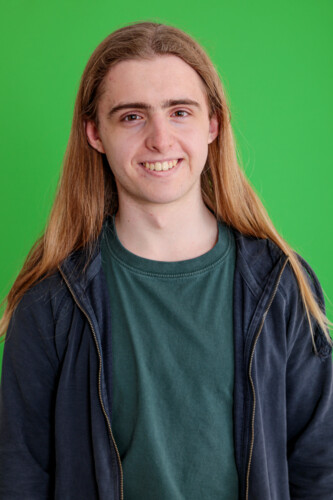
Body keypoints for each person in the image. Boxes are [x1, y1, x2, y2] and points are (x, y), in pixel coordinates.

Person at [0, 21, 332, 500]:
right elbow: (19, 476)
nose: (160, 139)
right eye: (132, 116)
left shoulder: (282, 284)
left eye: (180, 112)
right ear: (95, 133)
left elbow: (320, 468)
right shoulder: (52, 300)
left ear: (213, 124)